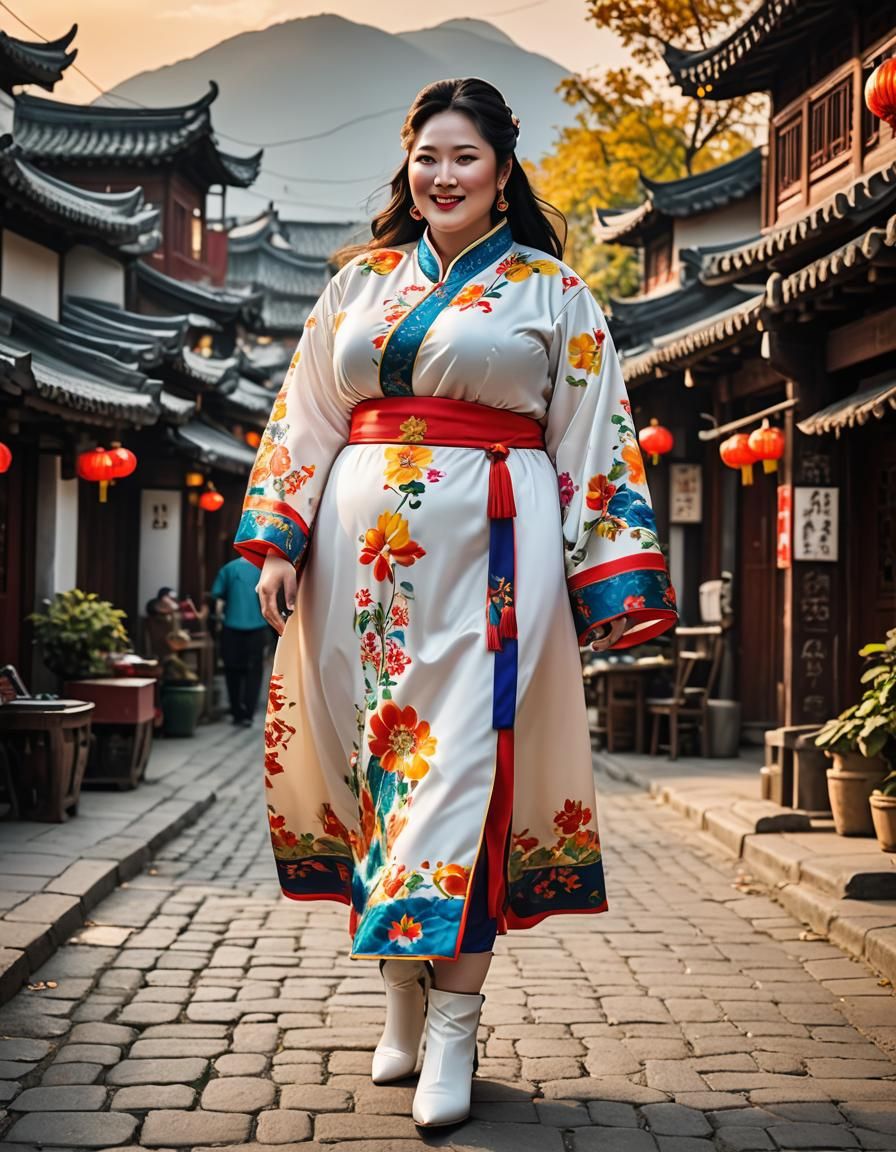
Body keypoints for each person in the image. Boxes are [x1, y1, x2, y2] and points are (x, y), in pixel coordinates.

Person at [234, 77, 677, 1127]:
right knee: (369, 767)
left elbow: (595, 432)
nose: (442, 176)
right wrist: (278, 537)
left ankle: (452, 1031)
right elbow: (302, 419)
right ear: (408, 167)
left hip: (492, 559)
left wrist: (606, 571)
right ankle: (397, 996)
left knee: (467, 773)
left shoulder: (553, 293)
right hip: (355, 570)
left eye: (464, 157)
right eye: (426, 157)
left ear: (502, 170)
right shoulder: (355, 287)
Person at [210, 556, 270, 727]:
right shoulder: (263, 569)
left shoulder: (229, 568)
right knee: (255, 672)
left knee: (232, 671)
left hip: (231, 627)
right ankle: (249, 713)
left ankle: (237, 712)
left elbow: (217, 596)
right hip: (258, 626)